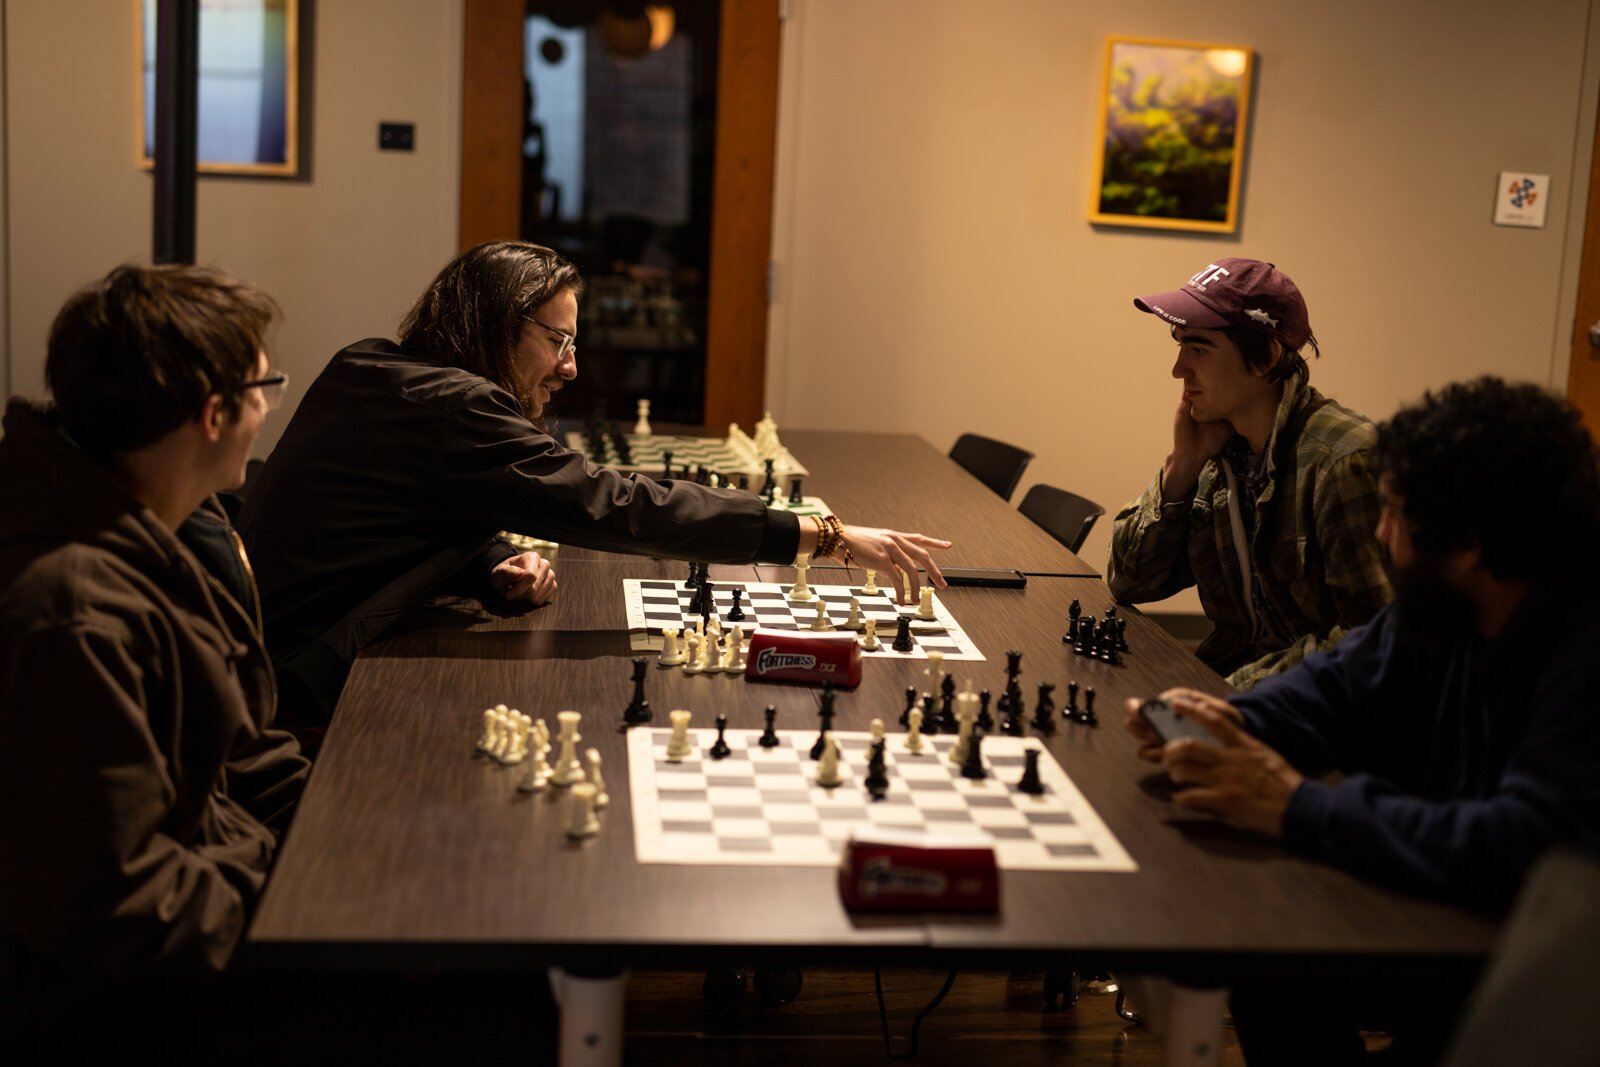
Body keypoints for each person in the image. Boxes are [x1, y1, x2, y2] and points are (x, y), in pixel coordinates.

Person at [238, 240, 950, 724]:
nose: (571, 367)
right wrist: (816, 533)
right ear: (496, 323)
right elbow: (616, 504)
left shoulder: (373, 365)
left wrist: (489, 562)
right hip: (295, 690)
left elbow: (393, 509)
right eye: (559, 340)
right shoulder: (458, 409)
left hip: (256, 650)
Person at [1123, 377, 1600, 1063]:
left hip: (1547, 981)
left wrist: (1298, 805)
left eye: (1395, 515)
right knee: (1262, 949)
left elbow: (1520, 845)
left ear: (1467, 543)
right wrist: (1220, 721)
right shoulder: (1444, 608)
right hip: (1452, 917)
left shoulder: (1584, 651)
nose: (1380, 533)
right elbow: (1333, 689)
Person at [0, 265, 310, 1044]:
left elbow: (242, 753)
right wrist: (302, 894)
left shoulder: (158, 529)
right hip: (123, 1004)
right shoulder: (75, 613)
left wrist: (347, 839)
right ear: (214, 414)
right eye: (264, 386)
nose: (270, 408)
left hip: (222, 912)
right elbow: (115, 904)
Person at [1106, 259, 1391, 689]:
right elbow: (1129, 581)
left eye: (1198, 348)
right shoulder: (1221, 453)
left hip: (1315, 721)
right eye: (1179, 345)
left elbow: (1373, 642)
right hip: (1243, 693)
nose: (1179, 369)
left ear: (1265, 359)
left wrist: (1235, 693)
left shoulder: (1345, 461)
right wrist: (1181, 464)